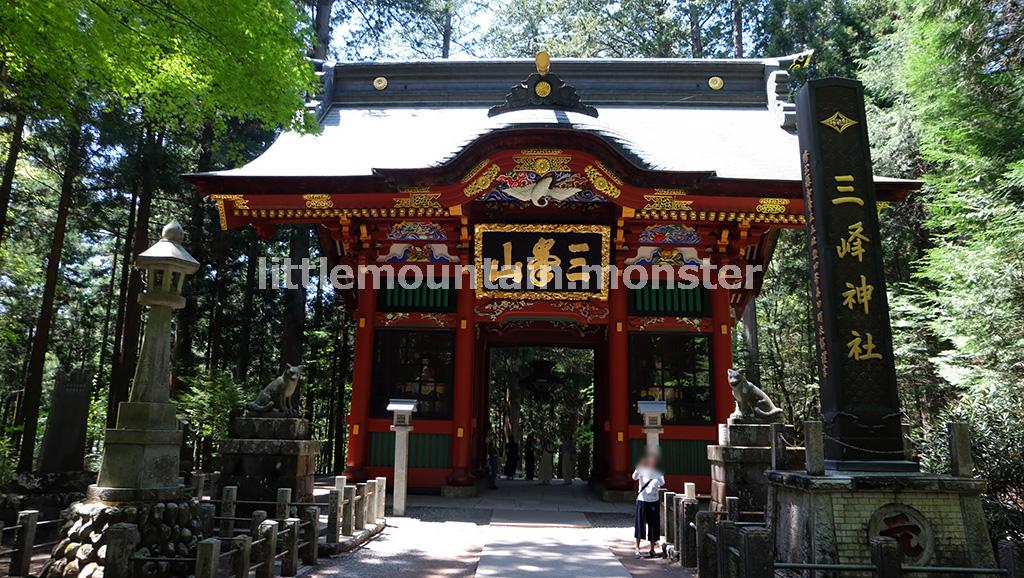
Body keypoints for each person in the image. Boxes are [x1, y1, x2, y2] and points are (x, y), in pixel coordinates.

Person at [632, 452, 666, 559]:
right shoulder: (641, 470)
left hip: (654, 501)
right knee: (639, 524)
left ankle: (652, 549)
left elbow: (662, 482)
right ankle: (637, 548)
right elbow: (634, 477)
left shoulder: (658, 473)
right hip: (642, 500)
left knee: (653, 525)